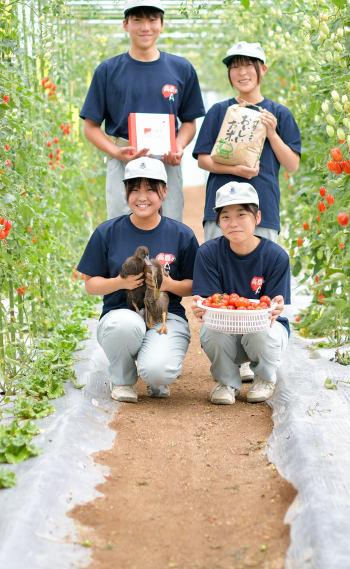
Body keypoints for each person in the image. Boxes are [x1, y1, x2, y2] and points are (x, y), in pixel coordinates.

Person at [192, 40, 300, 382]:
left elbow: (292, 164)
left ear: (261, 70)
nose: (241, 72)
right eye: (235, 66)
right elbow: (204, 158)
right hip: (221, 209)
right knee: (222, 281)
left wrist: (271, 133)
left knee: (260, 287)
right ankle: (229, 357)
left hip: (261, 209)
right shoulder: (219, 111)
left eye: (248, 65)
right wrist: (236, 170)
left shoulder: (278, 114)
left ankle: (257, 356)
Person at [77, 157, 199, 403]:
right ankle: (122, 379)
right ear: (126, 193)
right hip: (121, 315)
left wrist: (169, 285)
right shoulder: (107, 232)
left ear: (164, 191)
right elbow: (90, 284)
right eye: (134, 190)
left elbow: (195, 285)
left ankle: (155, 372)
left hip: (165, 316)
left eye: (150, 189)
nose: (141, 197)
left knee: (158, 369)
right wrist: (120, 283)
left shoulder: (181, 235)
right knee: (123, 326)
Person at [80, 0, 205, 221]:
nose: (145, 27)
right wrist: (117, 152)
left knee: (170, 226)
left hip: (166, 161)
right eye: (137, 20)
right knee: (122, 228)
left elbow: (189, 122)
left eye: (152, 19)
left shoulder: (182, 69)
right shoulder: (108, 71)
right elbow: (90, 127)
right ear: (125, 24)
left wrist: (177, 146)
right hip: (124, 160)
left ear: (162, 24)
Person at [191, 182, 290, 406]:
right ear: (218, 222)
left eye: (242, 214)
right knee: (210, 329)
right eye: (225, 217)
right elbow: (212, 304)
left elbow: (273, 308)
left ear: (257, 217)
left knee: (261, 330)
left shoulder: (276, 257)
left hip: (263, 331)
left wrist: (277, 306)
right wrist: (200, 306)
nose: (233, 223)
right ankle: (226, 382)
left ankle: (264, 378)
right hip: (227, 331)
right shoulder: (208, 253)